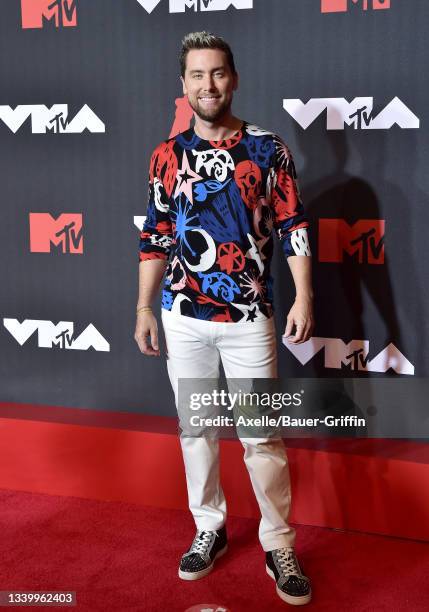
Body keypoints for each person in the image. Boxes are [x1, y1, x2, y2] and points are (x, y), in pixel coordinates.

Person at [134, 31, 314, 606]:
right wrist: (144, 306)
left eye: (217, 73)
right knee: (197, 432)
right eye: (196, 75)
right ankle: (207, 528)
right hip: (182, 316)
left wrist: (304, 297)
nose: (207, 85)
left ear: (233, 79)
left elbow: (294, 226)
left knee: (262, 437)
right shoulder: (166, 154)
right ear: (183, 85)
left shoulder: (268, 148)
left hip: (248, 317)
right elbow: (155, 235)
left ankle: (278, 542)